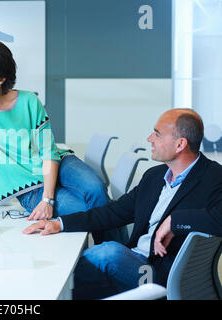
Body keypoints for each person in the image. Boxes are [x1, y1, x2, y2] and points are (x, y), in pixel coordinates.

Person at [23, 108, 222, 299]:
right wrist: (60, 223)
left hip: (157, 276)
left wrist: (174, 221)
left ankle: (42, 287)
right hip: (134, 260)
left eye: (157, 134)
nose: (149, 139)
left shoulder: (214, 178)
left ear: (180, 145)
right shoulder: (155, 175)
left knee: (107, 253)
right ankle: (44, 289)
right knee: (85, 273)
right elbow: (115, 211)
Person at [0, 41, 113, 239]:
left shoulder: (29, 101)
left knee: (96, 187)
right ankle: (106, 254)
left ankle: (116, 255)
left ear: (2, 78)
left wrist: (48, 199)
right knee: (82, 208)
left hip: (57, 163)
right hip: (29, 188)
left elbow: (48, 151)